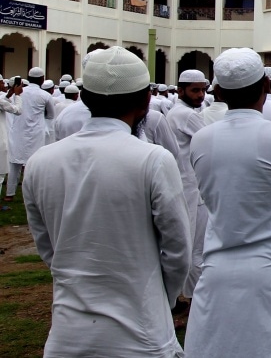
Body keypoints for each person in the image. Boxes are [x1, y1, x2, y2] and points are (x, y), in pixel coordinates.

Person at [23, 47, 192, 357]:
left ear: (85, 97)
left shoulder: (40, 162)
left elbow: (48, 248)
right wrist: (158, 296)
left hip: (67, 334)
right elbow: (178, 250)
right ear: (145, 102)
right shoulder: (152, 159)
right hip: (142, 334)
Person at [184, 48, 271, 358]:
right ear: (266, 87)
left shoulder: (201, 139)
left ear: (217, 91)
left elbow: (216, 193)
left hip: (217, 271)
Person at [165, 69, 209, 300]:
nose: (201, 95)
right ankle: (194, 297)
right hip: (189, 187)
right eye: (195, 90)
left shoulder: (177, 112)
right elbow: (210, 141)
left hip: (186, 184)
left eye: (203, 89)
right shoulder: (186, 115)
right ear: (180, 90)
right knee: (194, 246)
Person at [5, 66, 55, 201]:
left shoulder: (19, 92)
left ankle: (10, 194)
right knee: (33, 165)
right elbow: (51, 115)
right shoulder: (45, 95)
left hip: (18, 131)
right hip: (35, 133)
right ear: (42, 79)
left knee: (14, 164)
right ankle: (32, 195)